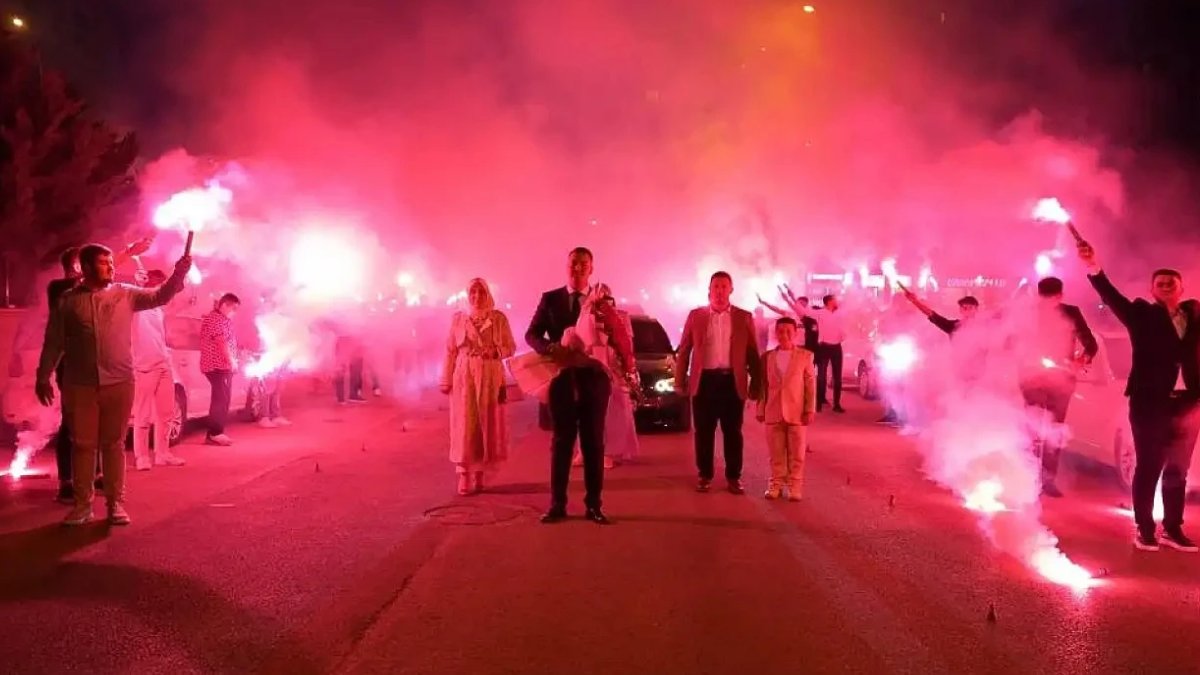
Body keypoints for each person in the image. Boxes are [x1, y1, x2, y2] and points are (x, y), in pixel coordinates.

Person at [35, 244, 191, 525]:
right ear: (86, 267)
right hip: (80, 384)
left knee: (113, 444)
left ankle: (115, 504)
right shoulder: (68, 301)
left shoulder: (125, 294)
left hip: (119, 381)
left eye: (111, 262)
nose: (111, 266)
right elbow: (54, 342)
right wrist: (43, 376)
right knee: (83, 445)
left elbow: (161, 295)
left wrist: (178, 273)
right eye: (103, 262)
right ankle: (82, 506)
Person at [1078, 239, 1200, 552]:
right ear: (1152, 290)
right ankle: (1145, 529)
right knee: (1149, 466)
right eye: (1160, 283)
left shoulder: (1195, 316)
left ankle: (1173, 528)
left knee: (1179, 469)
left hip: (1187, 405)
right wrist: (1093, 266)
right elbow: (1111, 296)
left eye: (1171, 282)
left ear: (1182, 288)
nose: (1166, 286)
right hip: (1150, 404)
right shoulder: (1141, 314)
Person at [45, 238, 152, 502]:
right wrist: (127, 253)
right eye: (95, 262)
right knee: (72, 425)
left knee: (100, 424)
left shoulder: (97, 292)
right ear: (78, 266)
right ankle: (67, 481)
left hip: (101, 370)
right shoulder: (60, 289)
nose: (104, 267)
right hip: (72, 369)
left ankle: (96, 475)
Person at [525, 247, 612, 524]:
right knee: (561, 442)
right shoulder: (551, 299)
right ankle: (557, 504)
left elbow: (614, 335)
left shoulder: (601, 300)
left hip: (593, 380)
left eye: (584, 263)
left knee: (593, 443)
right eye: (574, 262)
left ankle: (594, 505)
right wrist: (550, 347)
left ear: (591, 268)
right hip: (561, 378)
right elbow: (531, 334)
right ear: (567, 266)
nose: (578, 268)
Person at [676, 271, 762, 494]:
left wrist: (756, 383)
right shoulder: (696, 316)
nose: (720, 291)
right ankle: (704, 474)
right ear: (709, 290)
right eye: (716, 286)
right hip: (704, 382)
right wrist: (679, 380)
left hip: (732, 382)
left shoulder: (743, 317)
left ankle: (734, 477)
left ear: (731, 290)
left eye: (724, 287)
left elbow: (753, 353)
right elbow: (684, 350)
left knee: (733, 431)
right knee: (703, 432)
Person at [1019, 277, 1098, 498]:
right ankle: (1028, 478)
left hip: (1061, 380)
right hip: (1031, 379)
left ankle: (1048, 479)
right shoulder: (1028, 314)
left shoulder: (1071, 313)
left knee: (1054, 430)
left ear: (1060, 296)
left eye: (1052, 298)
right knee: (1033, 427)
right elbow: (1012, 340)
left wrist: (1080, 360)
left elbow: (1090, 343)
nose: (1048, 303)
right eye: (1044, 298)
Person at [439, 278, 517, 495]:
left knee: (487, 423)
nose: (477, 297)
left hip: (490, 375)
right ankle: (464, 473)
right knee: (466, 425)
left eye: (481, 292)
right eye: (473, 293)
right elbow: (450, 350)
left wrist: (497, 352)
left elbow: (510, 346)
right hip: (465, 376)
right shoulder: (459, 319)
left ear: (487, 294)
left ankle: (481, 472)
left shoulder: (498, 318)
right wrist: (446, 378)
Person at [570, 283, 640, 468]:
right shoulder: (585, 316)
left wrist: (628, 367)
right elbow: (581, 340)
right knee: (587, 411)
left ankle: (610, 452)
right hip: (591, 367)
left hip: (614, 369)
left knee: (613, 413)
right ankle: (584, 451)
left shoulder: (620, 316)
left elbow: (627, 344)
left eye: (605, 295)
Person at [130, 269, 187, 471]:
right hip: (144, 366)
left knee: (166, 413)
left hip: (164, 363)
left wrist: (181, 275)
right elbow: (132, 295)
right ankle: (141, 457)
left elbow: (178, 290)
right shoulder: (137, 303)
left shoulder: (159, 308)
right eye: (161, 285)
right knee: (143, 415)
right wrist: (138, 283)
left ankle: (162, 454)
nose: (164, 290)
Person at [756, 317, 816, 501]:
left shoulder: (805, 356)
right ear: (776, 333)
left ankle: (794, 486)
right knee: (776, 454)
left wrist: (810, 409)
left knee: (797, 454)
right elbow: (763, 386)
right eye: (781, 331)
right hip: (773, 411)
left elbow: (810, 385)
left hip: (797, 412)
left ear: (796, 333)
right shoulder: (767, 357)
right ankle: (775, 484)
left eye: (789, 331)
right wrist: (760, 409)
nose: (785, 335)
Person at [200, 293, 241, 446]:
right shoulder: (215, 319)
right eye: (233, 308)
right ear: (224, 305)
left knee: (223, 398)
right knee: (220, 399)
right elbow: (221, 342)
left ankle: (217, 432)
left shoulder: (224, 320)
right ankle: (214, 433)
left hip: (223, 367)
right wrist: (231, 361)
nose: (234, 312)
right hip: (216, 366)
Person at [899, 288, 979, 336]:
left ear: (976, 309)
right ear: (960, 310)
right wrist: (914, 301)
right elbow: (930, 313)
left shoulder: (983, 326)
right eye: (965, 308)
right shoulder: (953, 327)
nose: (968, 310)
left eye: (971, 308)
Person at [815, 294, 847, 413]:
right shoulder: (820, 313)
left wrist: (843, 336)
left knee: (837, 377)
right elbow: (805, 312)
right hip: (824, 346)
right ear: (829, 301)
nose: (837, 301)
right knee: (821, 376)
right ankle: (818, 403)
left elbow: (843, 327)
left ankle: (836, 404)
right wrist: (792, 299)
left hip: (836, 347)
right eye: (835, 299)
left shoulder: (839, 314)